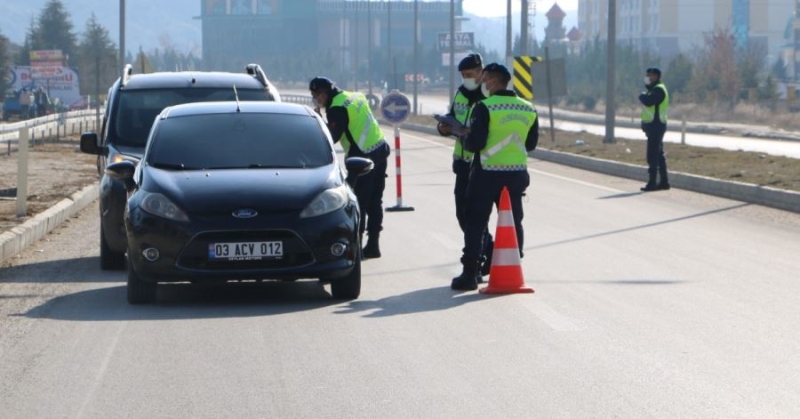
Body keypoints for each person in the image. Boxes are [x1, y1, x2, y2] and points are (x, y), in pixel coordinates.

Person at [452, 63, 539, 291]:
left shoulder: (485, 107)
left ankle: (470, 273)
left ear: (493, 81)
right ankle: (512, 266)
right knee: (513, 221)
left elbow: (475, 144)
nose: (482, 83)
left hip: (486, 174)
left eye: (485, 79)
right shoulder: (528, 109)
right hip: (516, 175)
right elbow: (531, 144)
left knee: (476, 223)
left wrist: (463, 137)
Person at [309, 77, 390, 259]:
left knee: (358, 203)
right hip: (379, 148)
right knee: (375, 202)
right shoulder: (354, 96)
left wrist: (320, 122)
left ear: (324, 93)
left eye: (316, 95)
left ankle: (357, 247)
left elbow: (333, 137)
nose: (316, 99)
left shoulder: (336, 107)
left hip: (362, 158)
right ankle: (374, 245)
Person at [436, 53, 495, 278]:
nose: (466, 78)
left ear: (481, 72)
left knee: (475, 218)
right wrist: (444, 127)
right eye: (462, 75)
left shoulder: (489, 95)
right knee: (463, 215)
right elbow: (452, 117)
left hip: (481, 163)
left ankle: (478, 263)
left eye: (469, 74)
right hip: (461, 162)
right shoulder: (461, 93)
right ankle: (489, 250)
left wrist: (471, 132)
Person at [639, 67, 670, 192]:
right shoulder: (653, 89)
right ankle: (664, 182)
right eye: (647, 75)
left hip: (656, 126)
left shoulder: (659, 90)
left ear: (656, 77)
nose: (648, 78)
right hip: (654, 125)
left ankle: (652, 183)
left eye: (650, 75)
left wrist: (641, 95)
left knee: (652, 155)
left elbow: (649, 101)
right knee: (658, 155)